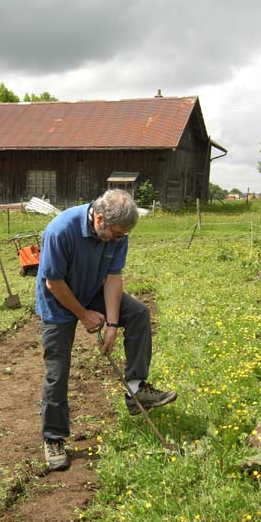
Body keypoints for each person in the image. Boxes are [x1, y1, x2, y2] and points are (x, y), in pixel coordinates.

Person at [35, 189, 177, 471]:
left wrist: (112, 324)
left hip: (93, 291)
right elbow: (54, 283)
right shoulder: (60, 230)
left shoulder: (117, 234)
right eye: (116, 233)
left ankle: (136, 391)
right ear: (99, 218)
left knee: (137, 314)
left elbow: (113, 277)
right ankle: (54, 438)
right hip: (58, 301)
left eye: (123, 235)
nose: (119, 239)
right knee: (58, 370)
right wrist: (83, 315)